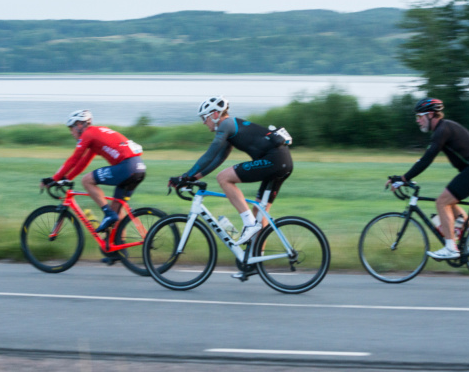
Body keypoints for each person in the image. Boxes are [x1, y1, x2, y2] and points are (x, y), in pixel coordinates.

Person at [170, 96, 293, 276]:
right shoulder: (229, 130)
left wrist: (185, 176)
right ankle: (255, 260)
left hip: (274, 161)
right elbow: (218, 159)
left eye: (204, 118)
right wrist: (192, 178)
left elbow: (209, 155)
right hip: (282, 162)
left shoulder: (226, 125)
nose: (204, 123)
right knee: (259, 211)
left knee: (224, 178)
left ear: (214, 114)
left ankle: (248, 224)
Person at [387, 98, 469, 260]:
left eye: (420, 116)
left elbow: (426, 159)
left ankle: (451, 248)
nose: (418, 120)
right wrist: (403, 178)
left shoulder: (442, 130)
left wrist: (403, 178)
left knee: (441, 202)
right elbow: (425, 159)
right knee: (447, 201)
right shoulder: (445, 128)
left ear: (430, 115)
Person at [41, 109, 146, 234]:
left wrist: (54, 178)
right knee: (117, 211)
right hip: (138, 168)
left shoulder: (88, 134)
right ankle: (119, 250)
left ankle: (107, 213)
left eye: (71, 128)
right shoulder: (96, 134)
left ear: (79, 125)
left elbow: (74, 159)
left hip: (127, 167)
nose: (71, 132)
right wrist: (67, 178)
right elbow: (83, 162)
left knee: (86, 181)